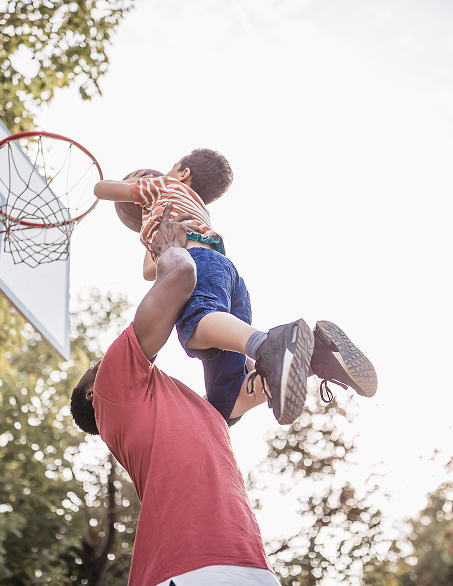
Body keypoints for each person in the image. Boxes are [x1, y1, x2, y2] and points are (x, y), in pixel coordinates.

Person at [70, 205, 280, 586]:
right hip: (184, 568)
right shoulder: (109, 390)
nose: (103, 357)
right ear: (91, 394)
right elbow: (182, 275)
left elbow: (255, 389)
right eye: (94, 365)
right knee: (197, 325)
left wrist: (305, 359)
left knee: (230, 392)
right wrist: (167, 248)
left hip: (249, 566)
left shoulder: (197, 410)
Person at [94, 150, 378, 426]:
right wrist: (151, 224)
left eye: (171, 168)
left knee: (196, 325)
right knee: (224, 403)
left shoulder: (161, 185)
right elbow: (149, 270)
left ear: (184, 173)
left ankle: (267, 345)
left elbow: (101, 188)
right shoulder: (195, 206)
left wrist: (135, 185)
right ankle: (318, 356)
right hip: (225, 273)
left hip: (198, 264)